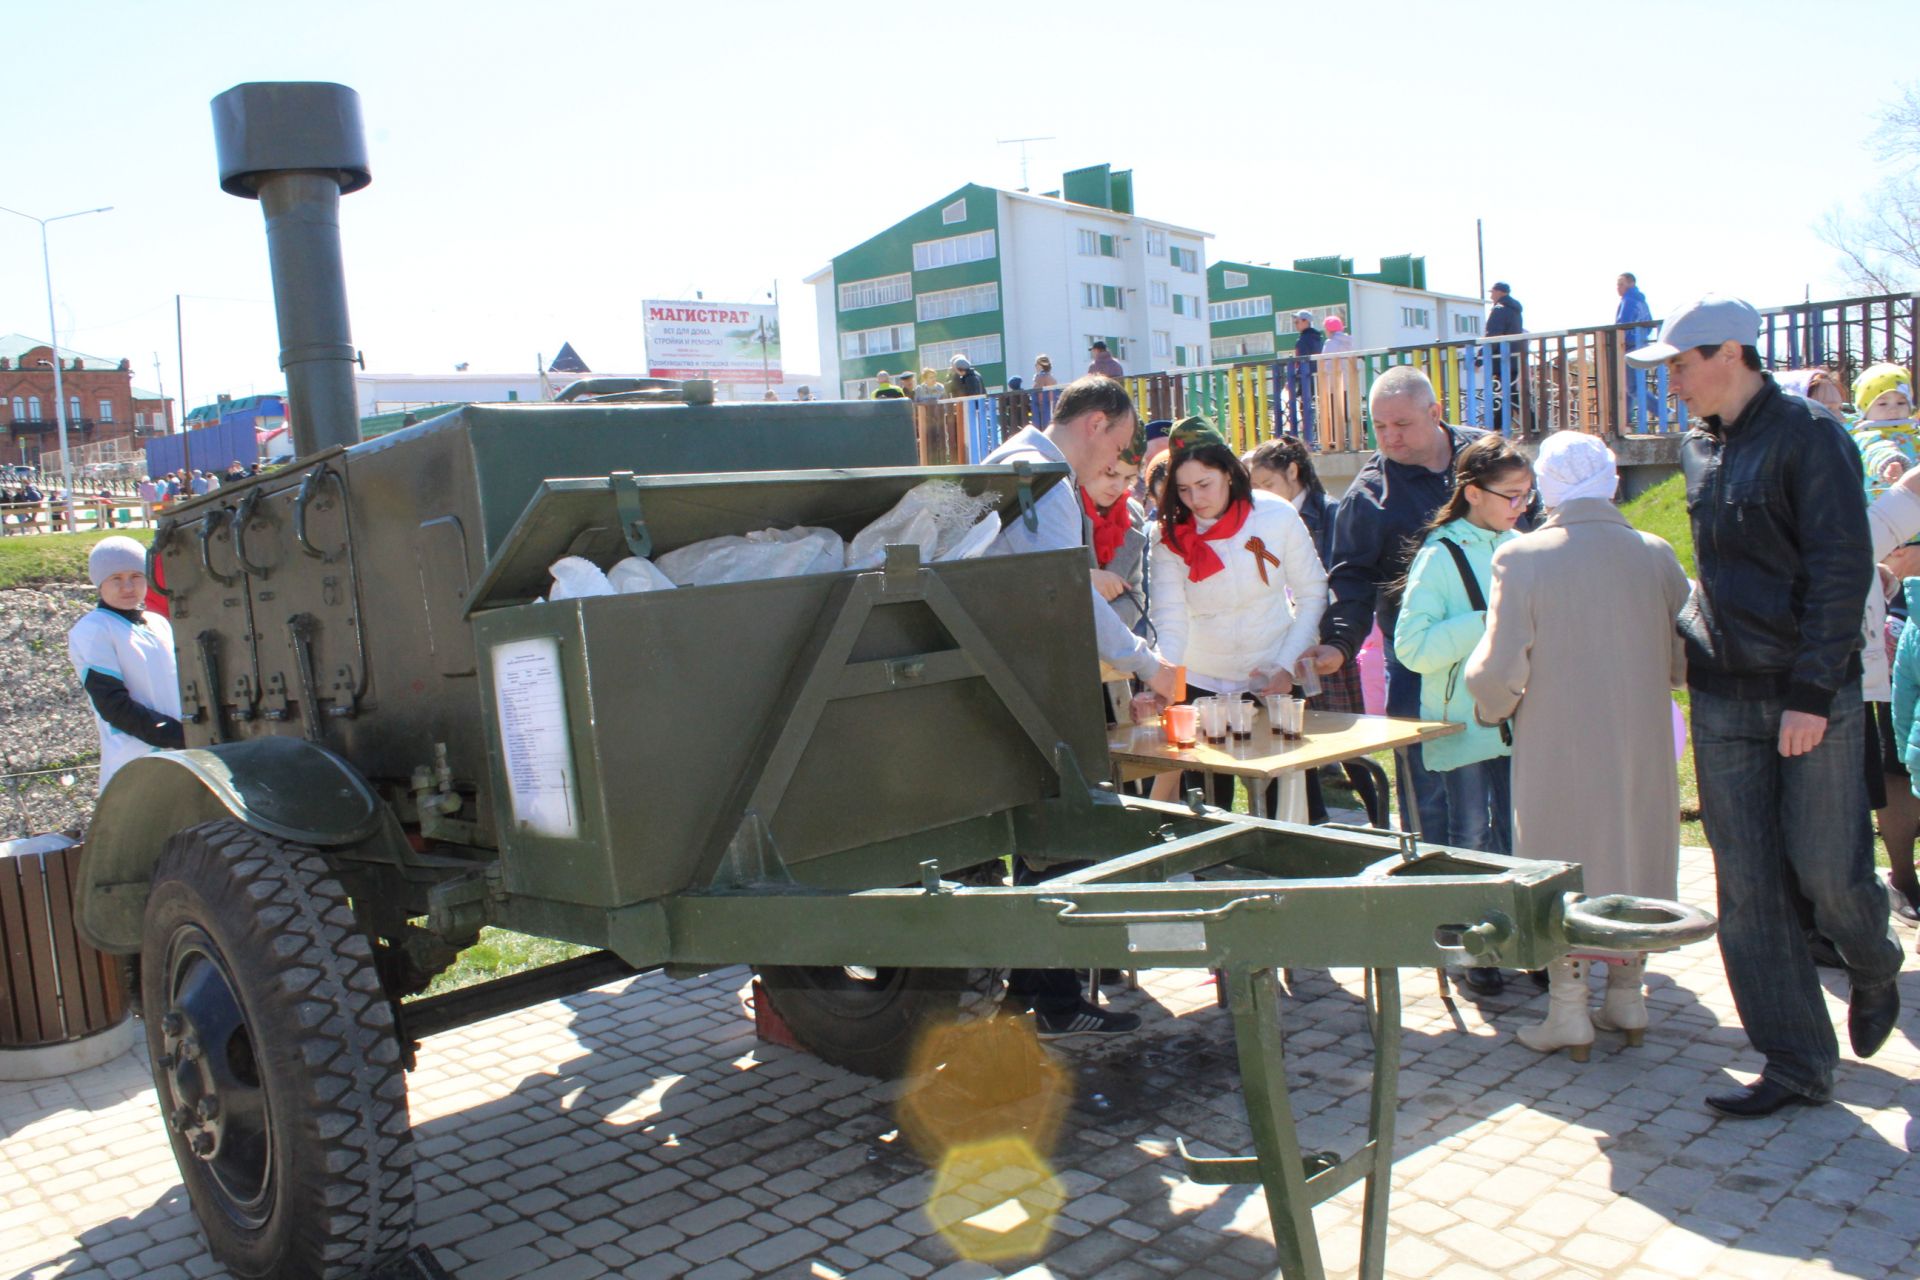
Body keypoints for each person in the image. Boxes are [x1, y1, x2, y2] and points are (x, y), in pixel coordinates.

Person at [1627, 294, 1902, 1118]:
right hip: (1723, 693)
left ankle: (1873, 956)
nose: (1671, 382)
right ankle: (1796, 1062)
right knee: (1746, 889)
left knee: (1828, 871)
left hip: (1806, 694)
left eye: (1679, 364)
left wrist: (1813, 693)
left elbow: (1841, 568)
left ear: (1729, 355)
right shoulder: (1697, 445)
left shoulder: (1811, 437)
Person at [1465, 432, 1692, 1059]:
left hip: (1557, 743)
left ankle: (1569, 1009)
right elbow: (1683, 659)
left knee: (1560, 861)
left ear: (1549, 488)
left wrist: (1492, 706)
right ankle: (1628, 994)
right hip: (1640, 739)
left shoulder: (1525, 556)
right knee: (1634, 848)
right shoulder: (1656, 552)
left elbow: (1497, 666)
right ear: (1612, 483)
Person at [982, 375, 1180, 1038]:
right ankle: (1055, 1005)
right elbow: (1066, 596)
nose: (1117, 463)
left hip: (1007, 679)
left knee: (1041, 845)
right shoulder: (1044, 477)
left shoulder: (1014, 459)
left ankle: (1030, 996)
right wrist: (1147, 662)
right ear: (1096, 422)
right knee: (1065, 838)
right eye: (1120, 444)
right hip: (1029, 688)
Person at [1150, 417, 1327, 816]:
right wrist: (1167, 675)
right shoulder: (1168, 538)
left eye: (1204, 484)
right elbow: (1170, 617)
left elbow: (1313, 591)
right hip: (1203, 684)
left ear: (1229, 473)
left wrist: (1286, 666)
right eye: (1183, 489)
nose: (1195, 499)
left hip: (1272, 678)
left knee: (1293, 805)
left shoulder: (1276, 515)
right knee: (1209, 810)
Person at [1394, 436, 1531, 855]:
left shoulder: (1520, 547)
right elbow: (1411, 649)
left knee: (1517, 835)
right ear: (1473, 493)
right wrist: (1486, 623)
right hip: (1462, 722)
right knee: (1470, 835)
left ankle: (1514, 918)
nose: (1521, 506)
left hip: (1516, 717)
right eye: (1511, 495)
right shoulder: (1439, 555)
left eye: (1528, 495)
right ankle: (1462, 921)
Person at [1245, 436, 1385, 827]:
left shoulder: (1330, 514)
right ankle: (1314, 817)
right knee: (1296, 738)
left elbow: (1338, 580)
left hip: (1326, 644)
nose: (1260, 494)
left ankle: (1377, 818)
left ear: (1294, 472)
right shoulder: (1265, 518)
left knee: (1347, 739)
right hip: (1284, 643)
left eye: (1267, 484)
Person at [67, 536, 184, 793]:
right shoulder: (93, 630)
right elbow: (114, 706)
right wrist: (176, 735)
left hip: (182, 755)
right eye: (116, 579)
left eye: (136, 576)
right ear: (100, 583)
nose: (128, 586)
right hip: (136, 760)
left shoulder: (159, 623)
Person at [1850, 363, 1915, 499]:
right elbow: (1877, 449)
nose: (1893, 409)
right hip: (1882, 509)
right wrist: (1890, 462)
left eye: (1901, 403)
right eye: (1883, 404)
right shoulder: (1866, 436)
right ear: (1865, 409)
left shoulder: (1914, 433)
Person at [1616, 273, 1658, 428]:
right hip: (1641, 345)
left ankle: (1663, 411)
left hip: (1630, 347)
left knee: (1633, 387)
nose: (1618, 288)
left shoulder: (1628, 301)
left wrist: (1624, 341)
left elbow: (1622, 325)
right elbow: (1648, 324)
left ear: (1630, 283)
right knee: (1629, 386)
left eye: (1621, 284)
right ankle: (1625, 420)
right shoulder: (1642, 302)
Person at [1484, 282, 1525, 432]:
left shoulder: (1500, 309)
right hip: (1512, 357)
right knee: (1507, 393)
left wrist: (1480, 357)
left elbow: (1493, 334)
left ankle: (1532, 425)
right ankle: (1497, 428)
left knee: (1506, 394)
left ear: (1500, 292)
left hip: (1501, 358)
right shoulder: (1515, 310)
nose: (1491, 296)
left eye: (1492, 292)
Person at [1319, 316, 1358, 448]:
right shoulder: (1348, 341)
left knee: (1335, 413)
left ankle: (1337, 441)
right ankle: (1351, 440)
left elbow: (1326, 363)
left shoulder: (1330, 343)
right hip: (1348, 381)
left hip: (1333, 383)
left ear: (1329, 329)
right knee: (1347, 411)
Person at [1287, 311, 1323, 437]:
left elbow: (1300, 362)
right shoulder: (1319, 339)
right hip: (1320, 379)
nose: (1295, 325)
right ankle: (1319, 437)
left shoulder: (1302, 341)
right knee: (1320, 411)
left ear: (1306, 321)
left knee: (1306, 411)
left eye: (1297, 322)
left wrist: (1294, 379)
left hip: (1306, 379)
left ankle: (1309, 439)